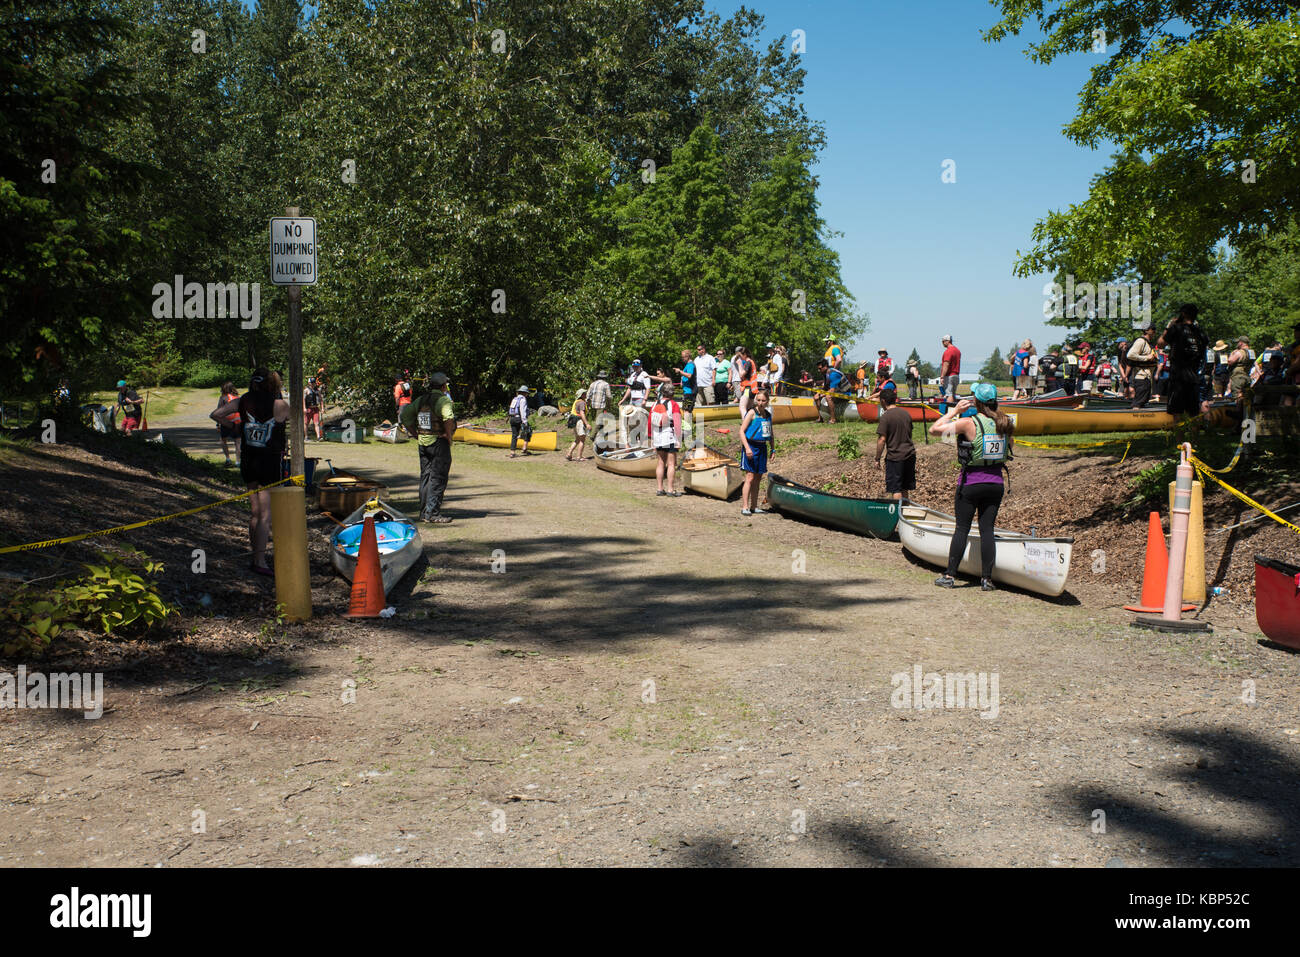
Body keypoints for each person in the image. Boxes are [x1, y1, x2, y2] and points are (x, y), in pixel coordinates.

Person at [929, 382, 1013, 591]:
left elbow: (934, 430)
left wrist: (955, 411)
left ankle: (949, 576)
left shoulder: (968, 423)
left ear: (977, 401)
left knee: (962, 528)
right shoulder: (1007, 422)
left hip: (971, 482)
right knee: (987, 530)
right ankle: (987, 579)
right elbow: (1010, 446)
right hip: (996, 483)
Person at [210, 369, 289, 575]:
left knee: (255, 513)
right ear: (273, 384)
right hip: (269, 461)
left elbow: (216, 414)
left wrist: (235, 427)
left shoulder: (243, 400)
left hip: (248, 459)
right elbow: (289, 419)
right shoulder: (278, 403)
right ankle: (260, 561)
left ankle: (256, 555)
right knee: (264, 515)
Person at [398, 373, 456, 523]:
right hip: (438, 442)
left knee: (426, 477)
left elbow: (404, 416)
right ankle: (433, 514)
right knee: (438, 478)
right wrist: (448, 436)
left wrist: (415, 434)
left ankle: (424, 512)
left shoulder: (421, 400)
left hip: (423, 443)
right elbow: (448, 418)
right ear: (444, 386)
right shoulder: (443, 400)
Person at [1157, 303, 1211, 416]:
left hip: (1178, 376)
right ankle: (1194, 433)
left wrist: (1169, 327)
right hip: (1194, 375)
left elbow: (1160, 344)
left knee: (1177, 412)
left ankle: (1179, 434)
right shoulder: (1200, 333)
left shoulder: (1176, 328)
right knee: (1193, 411)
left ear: (1183, 314)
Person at [874, 382, 915, 502]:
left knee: (896, 489)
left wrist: (877, 458)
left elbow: (882, 440)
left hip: (895, 457)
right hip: (910, 455)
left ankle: (897, 515)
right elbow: (909, 433)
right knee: (905, 488)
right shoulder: (906, 414)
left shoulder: (886, 417)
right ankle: (905, 511)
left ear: (883, 401)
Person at [739, 388, 773, 516]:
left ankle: (754, 506)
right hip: (751, 447)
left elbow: (771, 433)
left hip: (762, 447)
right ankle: (745, 506)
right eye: (758, 400)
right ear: (755, 400)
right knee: (750, 477)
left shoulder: (768, 415)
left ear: (767, 401)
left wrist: (773, 448)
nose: (761, 403)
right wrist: (747, 448)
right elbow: (741, 431)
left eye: (763, 400)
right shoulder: (751, 413)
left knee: (758, 478)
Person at [649, 385, 682, 496]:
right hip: (669, 435)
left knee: (660, 462)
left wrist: (651, 437)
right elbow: (677, 423)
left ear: (662, 393)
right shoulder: (674, 405)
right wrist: (679, 439)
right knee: (671, 463)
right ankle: (670, 489)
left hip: (657, 435)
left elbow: (650, 422)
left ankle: (659, 489)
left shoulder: (654, 404)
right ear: (672, 394)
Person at [1126, 329, 1158, 408]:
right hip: (1141, 377)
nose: (1155, 332)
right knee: (1138, 403)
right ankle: (1134, 417)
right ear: (1146, 331)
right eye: (1153, 329)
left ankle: (1143, 418)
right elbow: (1130, 355)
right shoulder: (1140, 341)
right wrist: (1147, 357)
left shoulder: (1149, 343)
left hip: (1147, 377)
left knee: (1143, 402)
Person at [586, 370, 615, 451]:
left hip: (592, 405)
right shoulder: (605, 384)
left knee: (595, 421)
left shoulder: (593, 383)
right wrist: (609, 405)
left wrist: (588, 404)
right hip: (600, 405)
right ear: (605, 377)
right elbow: (609, 396)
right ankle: (592, 436)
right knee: (598, 422)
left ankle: (599, 436)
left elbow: (588, 395)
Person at [818, 358, 852, 423]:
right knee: (816, 396)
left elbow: (832, 391)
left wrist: (823, 394)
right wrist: (819, 394)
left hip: (845, 394)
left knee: (828, 397)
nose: (818, 370)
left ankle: (833, 419)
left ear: (825, 367)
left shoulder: (833, 374)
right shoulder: (826, 374)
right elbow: (825, 387)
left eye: (820, 368)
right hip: (838, 392)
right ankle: (820, 418)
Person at [215, 381, 241, 465]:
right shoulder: (237, 397)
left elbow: (219, 411)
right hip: (237, 422)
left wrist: (218, 424)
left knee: (223, 440)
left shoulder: (223, 398)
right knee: (237, 442)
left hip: (226, 422)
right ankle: (238, 461)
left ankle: (228, 459)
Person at [732, 347, 758, 418]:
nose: (740, 358)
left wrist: (739, 364)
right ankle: (753, 423)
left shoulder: (748, 362)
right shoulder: (751, 362)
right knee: (749, 408)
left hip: (748, 388)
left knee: (742, 407)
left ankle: (745, 423)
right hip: (751, 389)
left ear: (745, 354)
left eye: (740, 356)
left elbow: (741, 374)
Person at [508, 385, 533, 456]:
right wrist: (524, 421)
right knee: (528, 431)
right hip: (519, 418)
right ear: (524, 393)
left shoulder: (514, 399)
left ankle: (512, 452)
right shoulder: (523, 399)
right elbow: (522, 411)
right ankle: (524, 448)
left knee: (514, 435)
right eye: (527, 393)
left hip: (512, 419)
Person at [566, 388, 590, 460]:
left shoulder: (577, 401)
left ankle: (569, 454)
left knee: (577, 439)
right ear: (582, 395)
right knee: (582, 439)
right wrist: (587, 424)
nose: (586, 395)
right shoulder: (582, 403)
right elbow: (582, 413)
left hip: (574, 421)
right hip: (579, 421)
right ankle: (579, 456)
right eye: (585, 394)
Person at [673, 349, 698, 414]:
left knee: (687, 410)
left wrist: (679, 371)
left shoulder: (690, 364)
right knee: (686, 409)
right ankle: (689, 423)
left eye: (683, 357)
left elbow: (689, 375)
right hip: (686, 391)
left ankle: (688, 423)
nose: (682, 359)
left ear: (688, 356)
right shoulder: (687, 365)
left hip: (690, 392)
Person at [939, 335, 961, 410]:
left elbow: (946, 364)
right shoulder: (957, 351)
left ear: (947, 341)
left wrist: (942, 376)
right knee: (953, 394)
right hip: (956, 375)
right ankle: (954, 411)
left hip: (949, 375)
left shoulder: (948, 351)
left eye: (943, 341)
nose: (942, 343)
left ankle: (950, 412)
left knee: (949, 394)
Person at [303, 376, 324, 441]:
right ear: (309, 383)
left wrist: (322, 408)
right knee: (306, 423)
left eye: (313, 382)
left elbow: (321, 399)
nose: (312, 384)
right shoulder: (306, 390)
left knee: (316, 423)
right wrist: (304, 408)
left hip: (315, 409)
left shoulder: (317, 390)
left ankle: (318, 437)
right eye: (311, 383)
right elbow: (303, 399)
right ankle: (306, 437)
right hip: (308, 408)